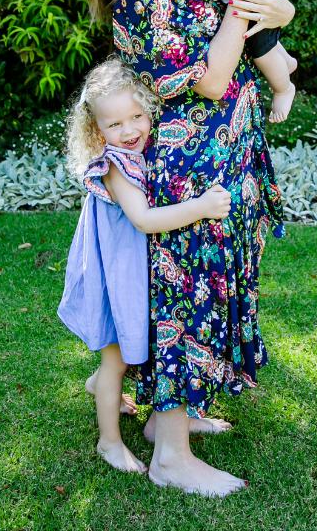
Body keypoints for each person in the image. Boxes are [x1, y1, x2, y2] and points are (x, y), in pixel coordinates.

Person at [77, 0, 294, 497]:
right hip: (184, 162)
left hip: (233, 147)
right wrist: (241, 5)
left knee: (216, 289)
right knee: (182, 298)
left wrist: (276, 9)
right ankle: (170, 455)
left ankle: (173, 416)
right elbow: (210, 80)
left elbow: (272, 9)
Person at [57, 57, 232, 474]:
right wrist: (202, 207)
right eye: (115, 124)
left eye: (137, 116)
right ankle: (109, 441)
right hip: (115, 277)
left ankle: (118, 394)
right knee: (116, 360)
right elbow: (143, 220)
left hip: (132, 272)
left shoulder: (143, 152)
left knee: (135, 352)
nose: (129, 130)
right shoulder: (115, 166)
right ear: (96, 130)